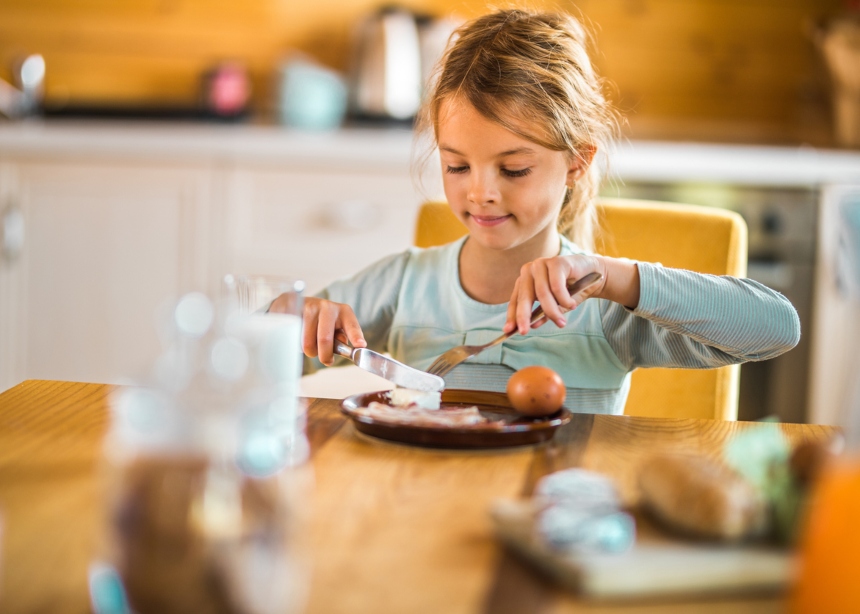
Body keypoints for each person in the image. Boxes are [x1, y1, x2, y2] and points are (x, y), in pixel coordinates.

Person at [271, 8, 799, 415]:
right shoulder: (403, 288)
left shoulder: (605, 310)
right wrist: (292, 320)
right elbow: (245, 361)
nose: (481, 194)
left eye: (514, 169)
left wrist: (613, 279)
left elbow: (778, 326)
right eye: (457, 167)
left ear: (576, 162)